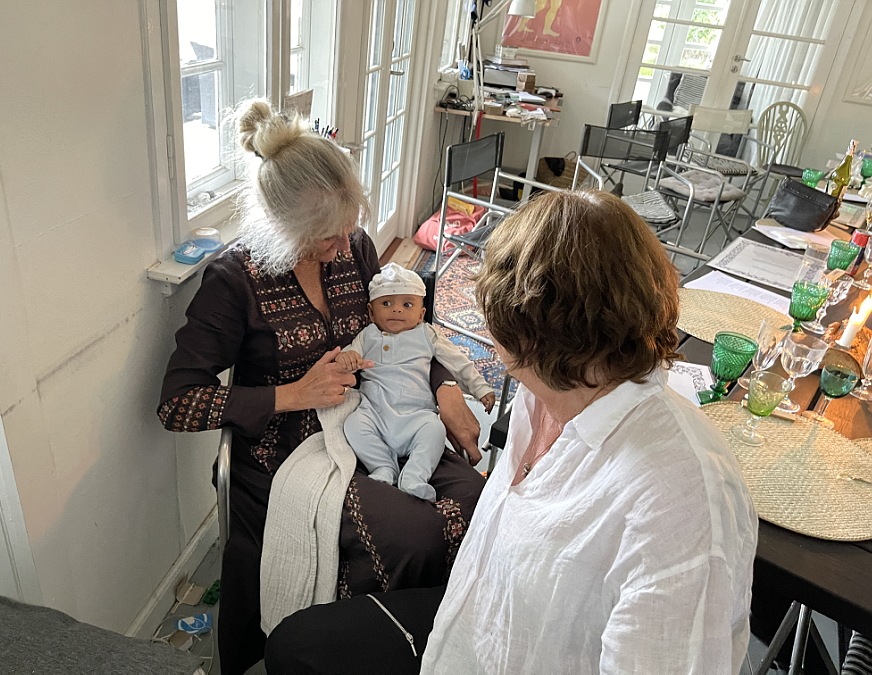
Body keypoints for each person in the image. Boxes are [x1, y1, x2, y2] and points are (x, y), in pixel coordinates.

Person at [265, 190, 759, 674]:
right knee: (293, 646)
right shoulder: (546, 388)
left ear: (529, 334)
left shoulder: (682, 509)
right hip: (472, 621)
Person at [157, 99, 486, 675]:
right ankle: (352, 652)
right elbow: (177, 404)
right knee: (415, 533)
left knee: (476, 500)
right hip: (286, 449)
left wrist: (445, 388)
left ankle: (433, 649)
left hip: (379, 412)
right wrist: (292, 394)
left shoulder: (352, 248)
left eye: (348, 229)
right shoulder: (234, 282)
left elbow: (401, 333)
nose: (345, 247)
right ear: (282, 228)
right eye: (327, 238)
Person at [336, 263, 495, 502]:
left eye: (407, 305)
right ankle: (382, 466)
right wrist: (346, 358)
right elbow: (347, 356)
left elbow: (457, 362)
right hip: (375, 413)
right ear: (371, 312)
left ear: (421, 314)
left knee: (435, 430)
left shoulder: (427, 334)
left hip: (417, 415)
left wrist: (480, 388)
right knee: (353, 426)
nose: (396, 310)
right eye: (386, 303)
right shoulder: (367, 336)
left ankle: (414, 476)